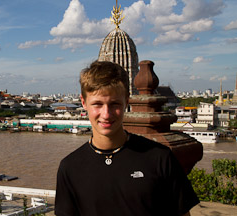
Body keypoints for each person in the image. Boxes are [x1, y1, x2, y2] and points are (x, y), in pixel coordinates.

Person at [55, 60, 199, 216]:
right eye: (97, 104)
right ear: (83, 102)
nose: (106, 114)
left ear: (126, 101)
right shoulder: (70, 167)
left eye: (115, 104)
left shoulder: (159, 158)